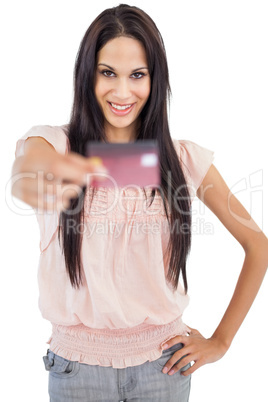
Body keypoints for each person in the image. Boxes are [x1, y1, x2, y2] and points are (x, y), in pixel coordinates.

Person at [11, 4, 268, 402]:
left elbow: (258, 244)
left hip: (164, 368)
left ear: (155, 80)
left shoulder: (182, 160)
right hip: (77, 371)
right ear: (87, 75)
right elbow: (28, 176)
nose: (122, 91)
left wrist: (221, 341)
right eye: (107, 73)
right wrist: (49, 176)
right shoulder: (52, 142)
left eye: (137, 75)